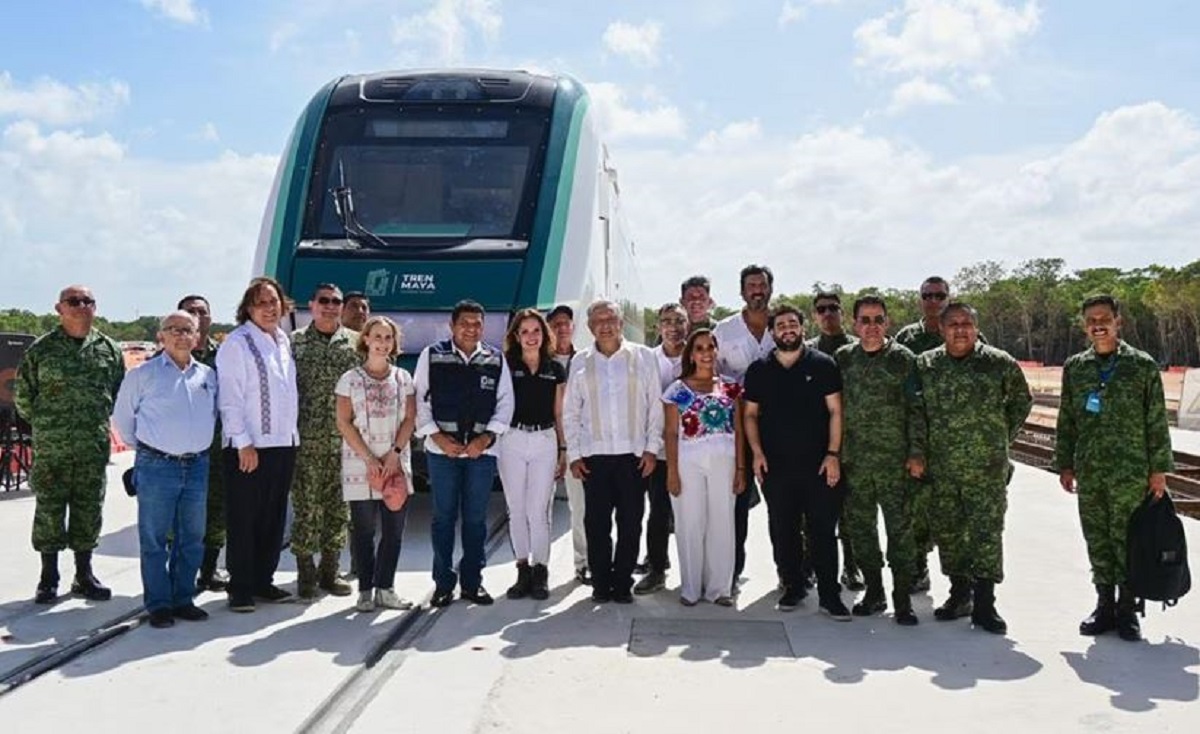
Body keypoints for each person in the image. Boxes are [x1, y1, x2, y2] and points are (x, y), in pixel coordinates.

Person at [1054, 294, 1174, 642]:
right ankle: (1104, 604)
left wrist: (1158, 470)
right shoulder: (1076, 367)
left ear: (1118, 321)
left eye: (1104, 318)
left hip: (1131, 471)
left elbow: (1156, 421)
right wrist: (1065, 463)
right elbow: (1068, 420)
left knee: (1128, 540)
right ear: (1084, 326)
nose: (1098, 325)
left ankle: (1128, 609)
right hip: (1091, 470)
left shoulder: (1141, 366)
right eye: (1091, 320)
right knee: (1098, 539)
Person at [914, 301, 1031, 634]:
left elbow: (1022, 400)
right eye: (953, 324)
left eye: (967, 324)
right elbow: (917, 412)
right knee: (949, 533)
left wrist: (999, 437)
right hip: (943, 468)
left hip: (986, 468)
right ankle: (959, 593)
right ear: (941, 328)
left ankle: (985, 603)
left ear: (977, 329)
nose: (960, 330)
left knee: (986, 533)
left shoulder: (998, 363)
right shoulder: (927, 364)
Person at [15, 285, 125, 604]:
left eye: (87, 301)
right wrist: (49, 425)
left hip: (91, 448)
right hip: (53, 448)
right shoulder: (42, 349)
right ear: (59, 308)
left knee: (88, 510)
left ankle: (84, 575)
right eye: (73, 302)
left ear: (95, 307)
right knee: (49, 511)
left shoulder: (108, 349)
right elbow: (24, 395)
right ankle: (48, 578)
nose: (81, 306)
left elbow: (117, 392)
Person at [744, 304, 851, 620]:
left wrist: (833, 455)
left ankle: (830, 596)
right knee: (783, 530)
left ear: (802, 328)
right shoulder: (759, 370)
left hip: (819, 465)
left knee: (822, 532)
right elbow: (750, 415)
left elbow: (835, 411)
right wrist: (757, 453)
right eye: (781, 325)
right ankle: (793, 587)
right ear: (772, 332)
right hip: (776, 467)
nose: (787, 329)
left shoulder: (823, 365)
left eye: (793, 323)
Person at [112, 311, 217, 628]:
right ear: (161, 336)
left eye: (188, 330)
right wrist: (149, 449)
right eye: (174, 330)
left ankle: (183, 599)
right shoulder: (142, 375)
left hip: (197, 465)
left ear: (197, 337)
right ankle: (158, 604)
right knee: (155, 539)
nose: (181, 335)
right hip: (158, 466)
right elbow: (122, 420)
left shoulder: (207, 376)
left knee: (192, 537)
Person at [415, 300, 514, 608]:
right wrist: (438, 437)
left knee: (475, 520)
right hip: (441, 453)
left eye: (477, 324)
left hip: (480, 456)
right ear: (452, 326)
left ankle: (473, 583)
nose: (471, 329)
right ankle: (443, 584)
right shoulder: (432, 355)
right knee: (443, 519)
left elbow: (505, 403)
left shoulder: (495, 359)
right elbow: (418, 401)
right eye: (465, 323)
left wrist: (485, 439)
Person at [563, 300, 664, 604]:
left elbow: (655, 406)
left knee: (631, 522)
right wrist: (575, 455)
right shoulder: (580, 361)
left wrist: (650, 449)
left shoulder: (643, 357)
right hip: (594, 457)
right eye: (598, 320)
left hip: (633, 456)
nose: (605, 325)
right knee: (595, 523)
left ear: (621, 323)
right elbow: (571, 412)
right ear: (590, 327)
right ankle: (600, 584)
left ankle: (622, 584)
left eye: (611, 319)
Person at [835, 295, 922, 625]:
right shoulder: (843, 359)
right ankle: (874, 592)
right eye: (865, 320)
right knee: (862, 533)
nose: (871, 327)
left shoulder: (904, 360)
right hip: (855, 463)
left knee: (900, 533)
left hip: (894, 464)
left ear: (887, 323)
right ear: (854, 324)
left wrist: (916, 453)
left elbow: (916, 410)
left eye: (878, 320)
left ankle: (902, 599)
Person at [217, 277, 301, 612]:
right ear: (248, 309)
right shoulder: (237, 344)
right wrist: (243, 443)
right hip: (249, 446)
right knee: (244, 517)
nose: (269, 308)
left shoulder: (283, 340)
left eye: (273, 302)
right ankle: (240, 587)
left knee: (273, 515)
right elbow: (230, 399)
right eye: (261, 303)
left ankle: (263, 580)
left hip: (283, 442)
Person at [335, 316, 417, 612]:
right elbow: (343, 422)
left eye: (388, 338)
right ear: (366, 339)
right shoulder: (349, 379)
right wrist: (369, 458)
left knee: (394, 530)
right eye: (377, 337)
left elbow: (410, 418)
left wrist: (394, 453)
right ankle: (366, 590)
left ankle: (386, 588)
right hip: (361, 465)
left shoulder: (403, 379)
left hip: (395, 464)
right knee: (363, 530)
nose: (383, 343)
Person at [662, 329, 744, 606]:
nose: (706, 353)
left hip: (725, 460)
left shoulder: (730, 387)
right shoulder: (679, 390)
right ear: (692, 354)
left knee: (722, 521)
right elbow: (671, 433)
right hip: (689, 461)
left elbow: (741, 429)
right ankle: (691, 588)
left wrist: (741, 469)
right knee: (690, 521)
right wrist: (672, 472)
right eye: (700, 348)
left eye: (711, 347)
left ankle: (720, 589)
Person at [291, 284, 361, 599]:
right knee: (306, 508)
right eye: (324, 301)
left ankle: (330, 572)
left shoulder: (356, 344)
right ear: (312, 305)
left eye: (336, 302)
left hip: (345, 443)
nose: (330, 306)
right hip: (306, 442)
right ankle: (305, 573)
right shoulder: (293, 343)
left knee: (339, 510)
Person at [497, 309, 566, 601]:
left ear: (544, 334)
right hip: (512, 439)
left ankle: (541, 570)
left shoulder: (555, 368)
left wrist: (563, 449)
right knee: (517, 508)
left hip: (544, 440)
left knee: (539, 510)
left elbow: (559, 412)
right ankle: (522, 568)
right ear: (516, 336)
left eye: (535, 331)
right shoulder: (505, 365)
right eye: (524, 331)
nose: (530, 337)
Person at [713, 264, 774, 592]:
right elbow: (715, 378)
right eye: (751, 286)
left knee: (783, 505)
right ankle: (732, 571)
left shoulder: (782, 326)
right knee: (735, 504)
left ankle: (791, 573)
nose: (757, 291)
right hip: (736, 430)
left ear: (770, 289)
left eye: (762, 285)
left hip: (777, 429)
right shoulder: (724, 330)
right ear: (741, 292)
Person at [894, 275, 952, 593]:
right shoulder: (907, 338)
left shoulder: (963, 330)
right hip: (914, 438)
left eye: (939, 296)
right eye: (927, 296)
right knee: (913, 509)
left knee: (950, 513)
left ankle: (961, 580)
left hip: (952, 440)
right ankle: (918, 567)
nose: (933, 301)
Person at [806, 290, 862, 592]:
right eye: (821, 309)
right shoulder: (807, 350)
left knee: (850, 512)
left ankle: (851, 568)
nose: (828, 314)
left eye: (833, 308)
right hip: (816, 442)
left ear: (842, 314)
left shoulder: (856, 350)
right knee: (811, 512)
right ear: (814, 316)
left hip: (852, 442)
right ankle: (810, 565)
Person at [634, 303, 687, 595]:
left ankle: (698, 570)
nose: (673, 327)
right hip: (658, 448)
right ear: (658, 327)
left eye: (679, 321)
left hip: (694, 448)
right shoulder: (646, 359)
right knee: (658, 511)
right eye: (667, 321)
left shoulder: (701, 355)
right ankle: (656, 568)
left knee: (692, 513)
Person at [178, 294, 229, 592]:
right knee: (179, 517)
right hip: (176, 454)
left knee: (216, 513)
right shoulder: (163, 358)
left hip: (217, 450)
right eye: (190, 311)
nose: (196, 316)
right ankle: (179, 575)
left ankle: (209, 571)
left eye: (202, 312)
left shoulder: (225, 356)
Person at [548, 304, 590, 585]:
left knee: (580, 506)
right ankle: (535, 567)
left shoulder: (585, 361)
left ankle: (583, 562)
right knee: (539, 510)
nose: (562, 328)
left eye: (567, 323)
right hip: (543, 442)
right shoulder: (540, 361)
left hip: (576, 444)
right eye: (556, 324)